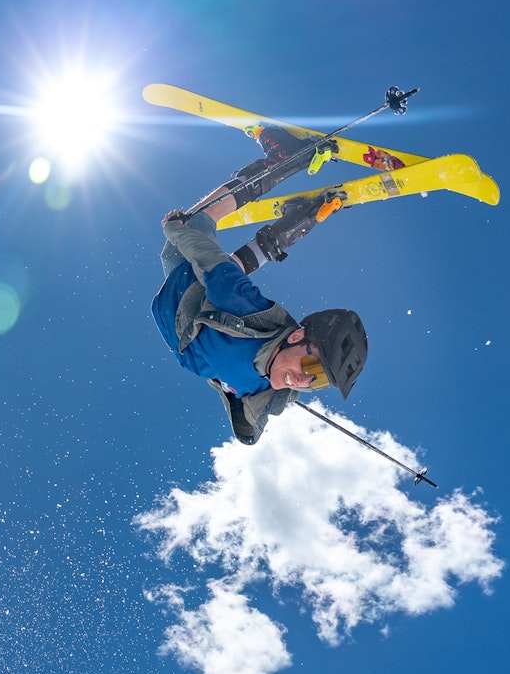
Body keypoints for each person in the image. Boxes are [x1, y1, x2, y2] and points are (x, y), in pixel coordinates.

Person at [151, 128, 368, 445]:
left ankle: (299, 218)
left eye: (318, 381)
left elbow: (248, 433)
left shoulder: (270, 395)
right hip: (186, 297)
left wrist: (246, 424)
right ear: (296, 337)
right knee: (196, 231)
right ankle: (285, 159)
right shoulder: (246, 311)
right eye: (311, 367)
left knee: (226, 271)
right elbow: (208, 256)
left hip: (187, 320)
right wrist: (176, 232)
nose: (304, 381)